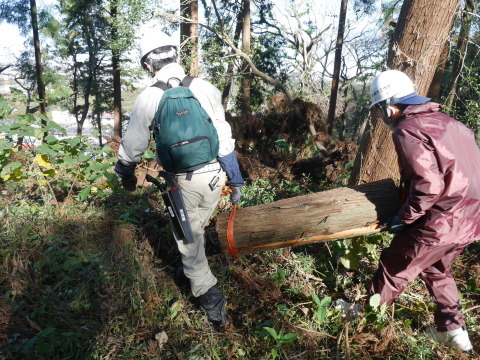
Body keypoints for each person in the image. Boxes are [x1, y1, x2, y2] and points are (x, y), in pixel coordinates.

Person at [114, 21, 244, 329]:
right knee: (195, 230)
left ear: (148, 63)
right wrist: (235, 180)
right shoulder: (204, 87)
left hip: (182, 184)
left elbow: (133, 146)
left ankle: (213, 308)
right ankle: (195, 269)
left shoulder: (149, 97)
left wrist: (125, 173)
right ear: (175, 54)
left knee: (190, 245)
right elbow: (223, 137)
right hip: (215, 177)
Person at [368, 69, 480, 352]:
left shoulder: (408, 129)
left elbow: (428, 185)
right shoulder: (454, 125)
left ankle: (363, 323)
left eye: (380, 111)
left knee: (394, 266)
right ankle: (454, 335)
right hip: (471, 219)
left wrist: (404, 218)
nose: (383, 118)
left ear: (390, 107)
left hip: (440, 220)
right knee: (438, 269)